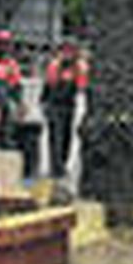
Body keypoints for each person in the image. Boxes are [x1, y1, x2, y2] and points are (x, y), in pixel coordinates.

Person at [40, 39, 89, 179]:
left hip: (69, 105)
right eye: (64, 51)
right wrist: (44, 104)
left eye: (70, 51)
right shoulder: (54, 66)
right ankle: (56, 167)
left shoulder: (78, 67)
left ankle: (63, 163)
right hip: (54, 104)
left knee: (67, 136)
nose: (67, 54)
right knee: (56, 135)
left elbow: (81, 86)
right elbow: (48, 86)